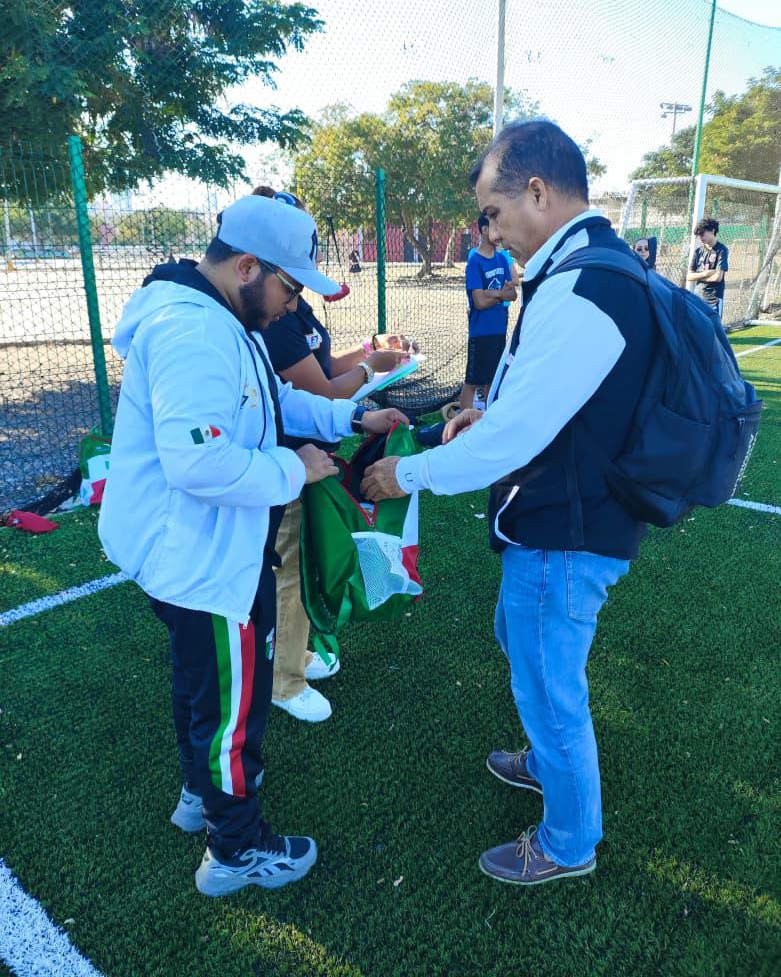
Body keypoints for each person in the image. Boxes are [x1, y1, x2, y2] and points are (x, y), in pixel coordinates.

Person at [362, 119, 657, 887]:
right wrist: (485, 413)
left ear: (536, 190)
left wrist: (409, 475)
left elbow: (517, 441)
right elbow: (548, 408)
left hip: (568, 527)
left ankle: (567, 843)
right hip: (563, 515)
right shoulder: (583, 270)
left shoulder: (587, 284)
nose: (486, 232)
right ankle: (546, 759)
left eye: (491, 213)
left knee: (550, 682)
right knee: (523, 644)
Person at [98, 194, 407, 897]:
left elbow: (270, 402)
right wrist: (290, 468)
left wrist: (349, 413)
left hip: (196, 552)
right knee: (234, 712)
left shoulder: (217, 317)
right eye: (289, 287)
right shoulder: (194, 331)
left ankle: (199, 799)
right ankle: (234, 852)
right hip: (203, 561)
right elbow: (196, 461)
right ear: (246, 267)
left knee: (201, 688)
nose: (291, 305)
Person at [258, 188, 416, 721]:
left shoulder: (290, 303)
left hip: (311, 458)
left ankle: (293, 653)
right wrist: (371, 373)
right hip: (289, 464)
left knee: (302, 564)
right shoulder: (267, 317)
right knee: (288, 570)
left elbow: (317, 376)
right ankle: (283, 680)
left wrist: (370, 356)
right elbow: (319, 392)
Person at [459, 213, 518, 411]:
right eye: (496, 227)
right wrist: (500, 294)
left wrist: (492, 293)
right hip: (480, 332)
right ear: (485, 230)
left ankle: (487, 420)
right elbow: (479, 302)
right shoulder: (475, 262)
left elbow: (512, 295)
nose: (500, 232)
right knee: (473, 381)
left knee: (493, 378)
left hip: (499, 329)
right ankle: (462, 423)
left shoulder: (502, 259)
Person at [687, 217, 729, 319]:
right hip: (697, 296)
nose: (700, 237)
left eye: (702, 233)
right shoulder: (698, 251)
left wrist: (698, 277)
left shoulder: (722, 250)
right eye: (698, 235)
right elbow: (689, 276)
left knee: (714, 328)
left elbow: (718, 278)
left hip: (713, 298)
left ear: (712, 230)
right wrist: (705, 274)